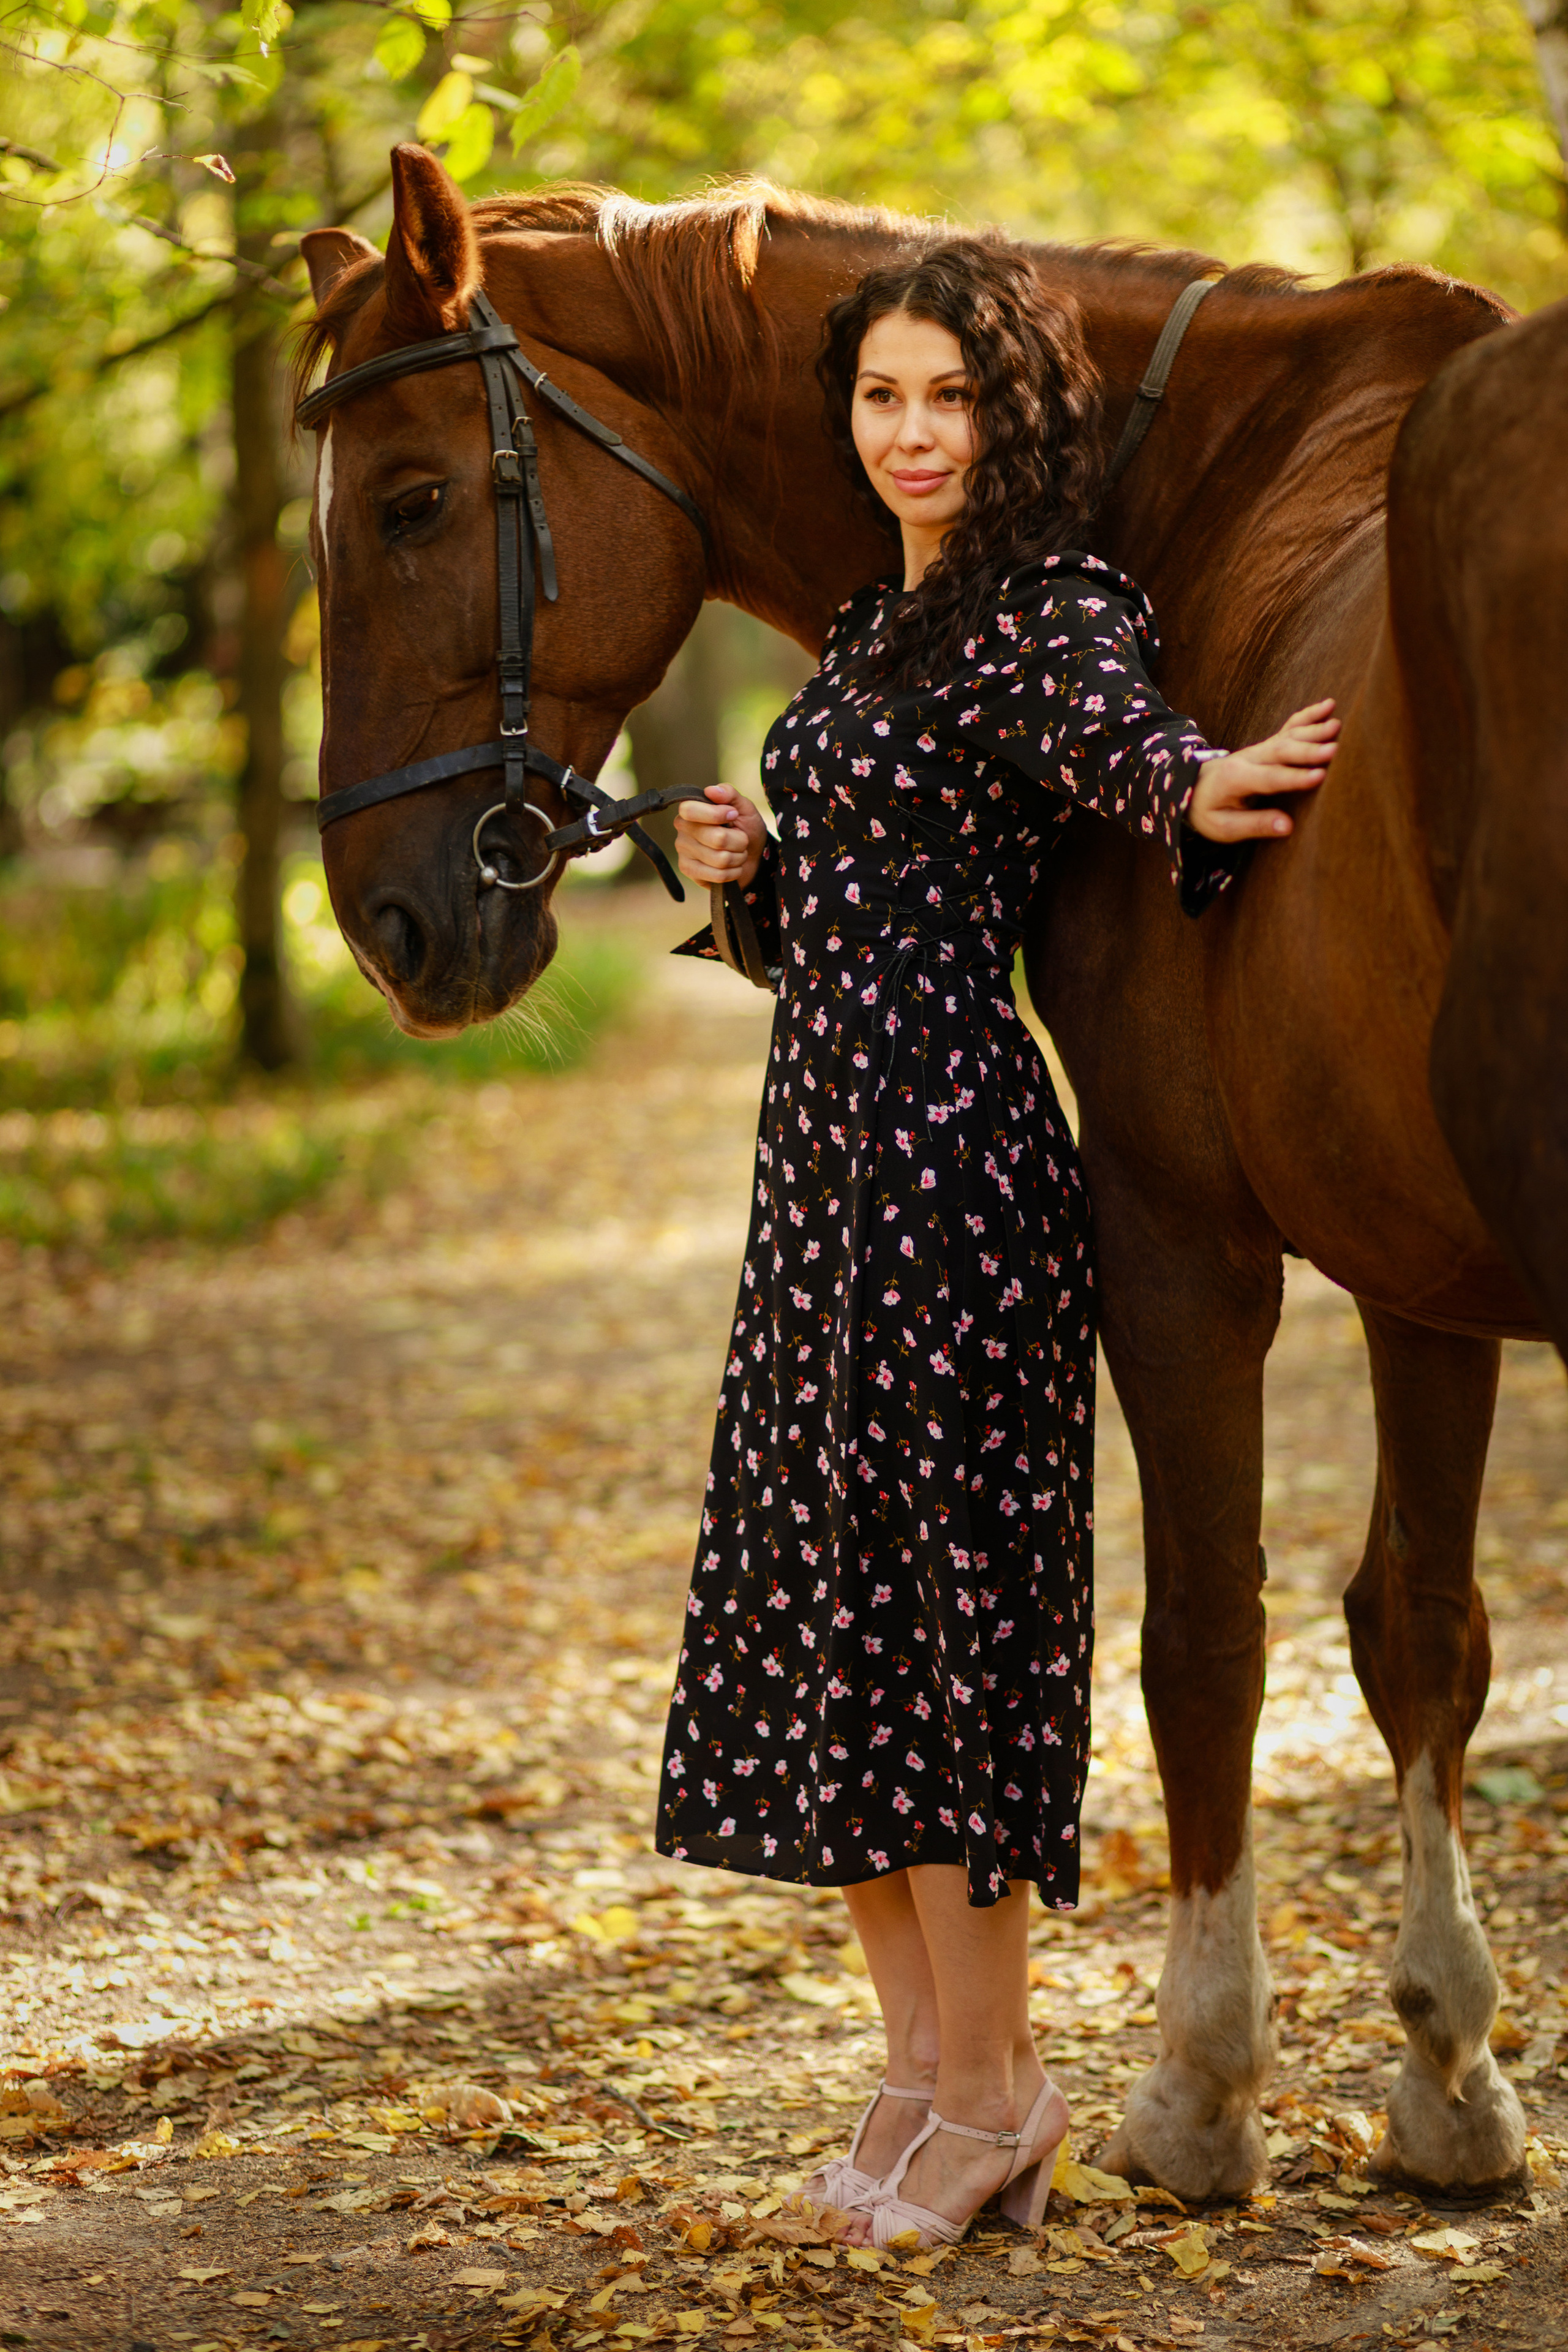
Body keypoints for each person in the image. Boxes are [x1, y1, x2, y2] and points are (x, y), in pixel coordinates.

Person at [654, 238, 1338, 2250]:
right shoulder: (874, 627)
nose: (913, 431)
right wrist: (749, 875)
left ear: (1011, 411)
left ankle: (995, 2091)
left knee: (948, 1635)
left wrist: (1201, 782)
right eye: (883, 396)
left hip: (953, 1171)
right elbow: (842, 919)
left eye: (949, 396)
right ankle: (917, 2084)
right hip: (822, 1176)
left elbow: (1125, 745)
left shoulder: (1044, 605)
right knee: (839, 1619)